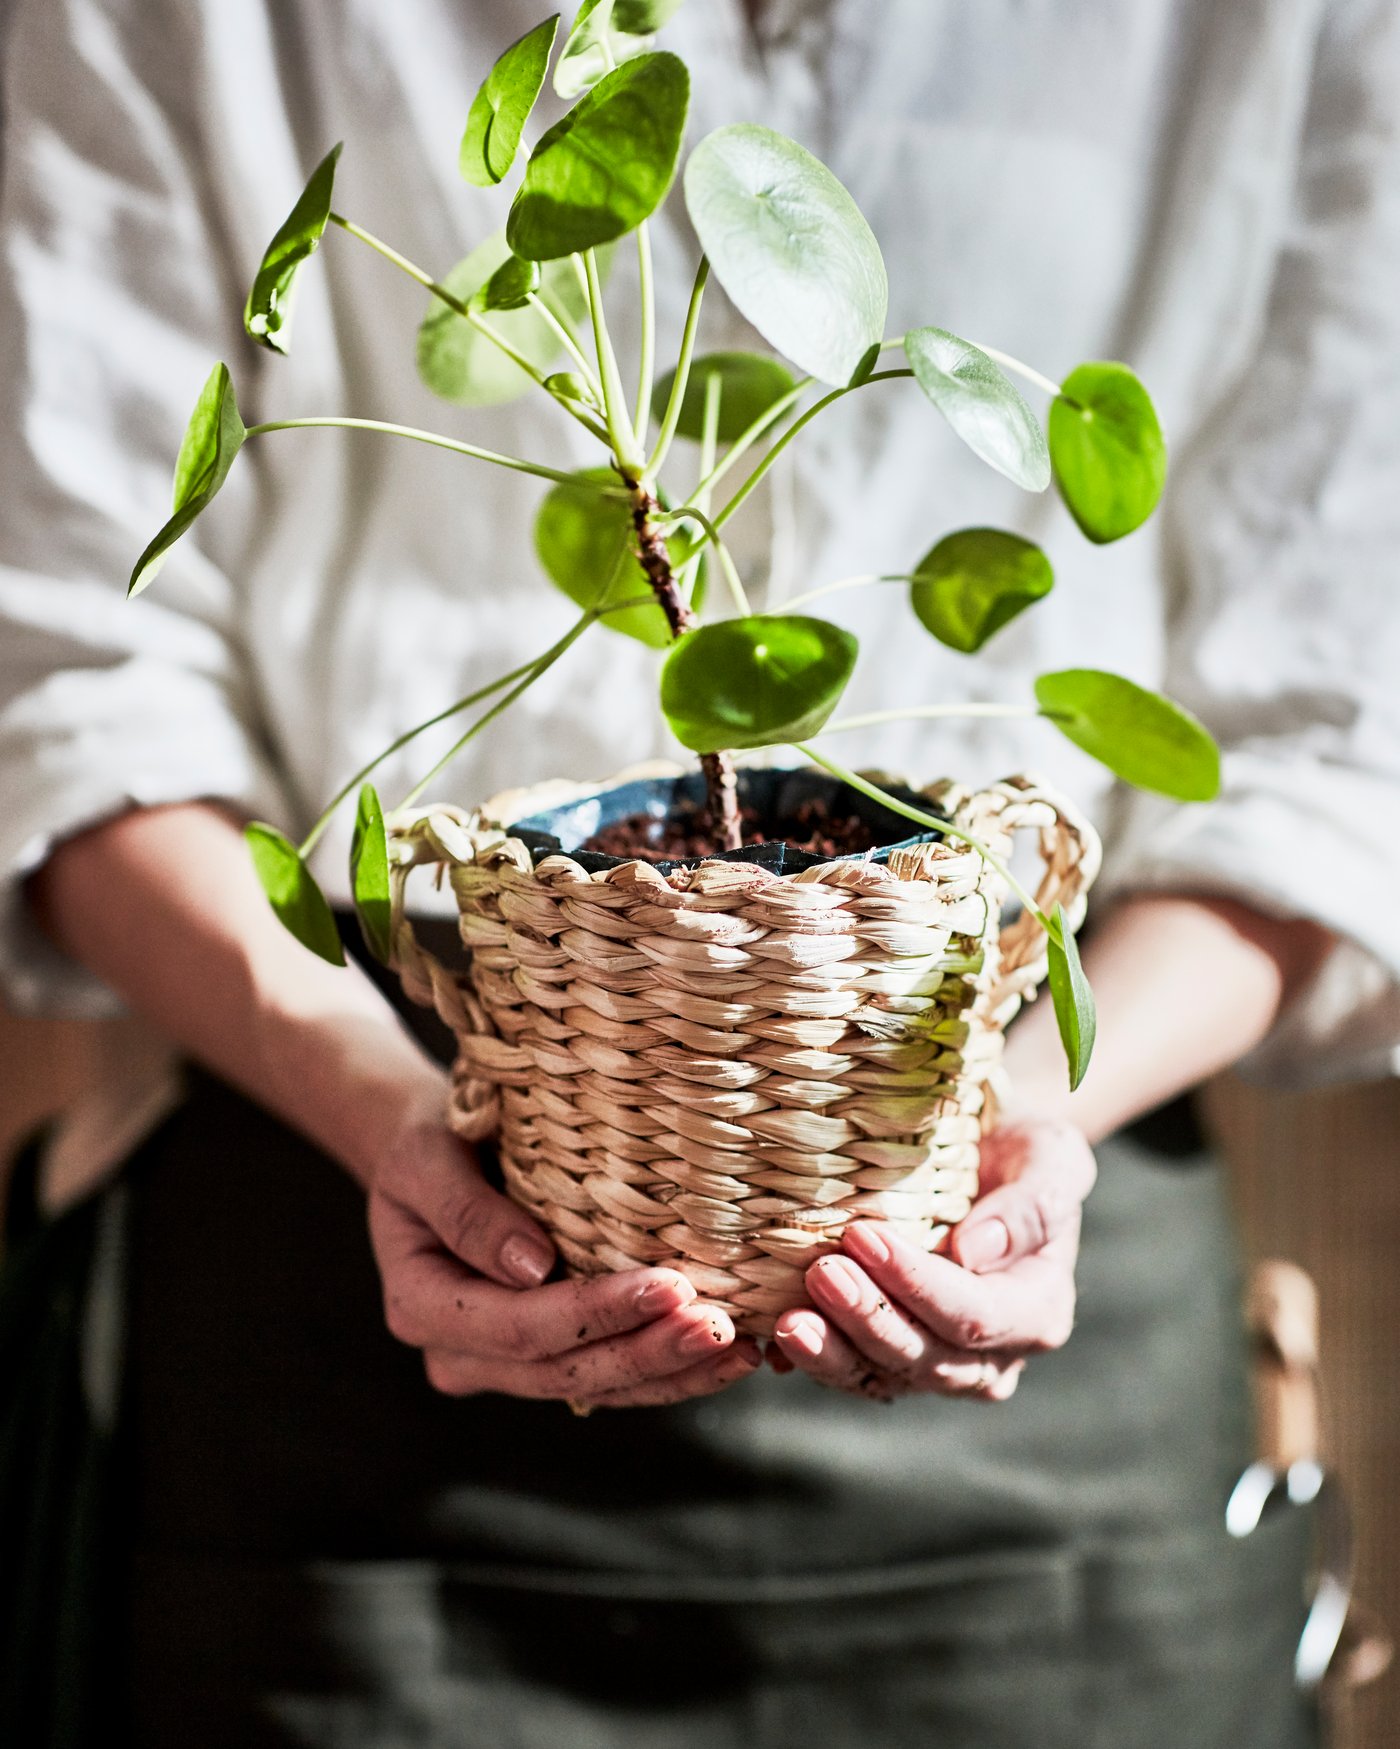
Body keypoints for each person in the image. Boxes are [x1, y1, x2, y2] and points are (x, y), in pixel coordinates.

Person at [2, 1, 1397, 1743]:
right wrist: (387, 1108)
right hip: (345, 1273)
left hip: (1045, 1297)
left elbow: (1341, 737)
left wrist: (1004, 1132)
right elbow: (65, 679)